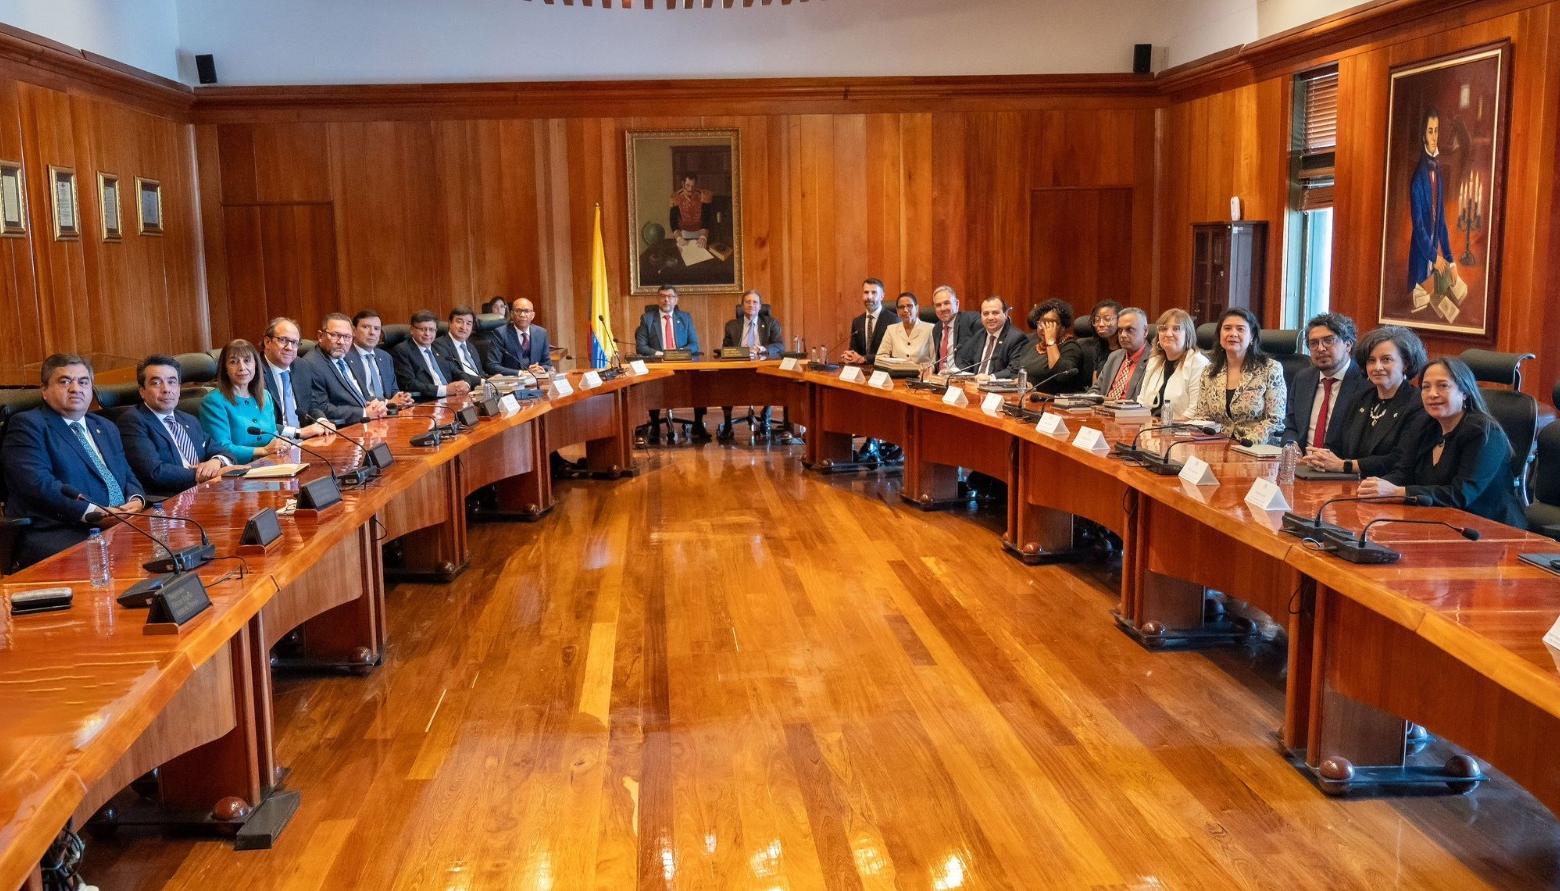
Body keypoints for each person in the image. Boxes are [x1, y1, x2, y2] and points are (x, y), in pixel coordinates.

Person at [2, 353, 146, 568]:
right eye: (65, 381)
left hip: (120, 524)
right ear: (44, 390)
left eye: (83, 382)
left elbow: (126, 473)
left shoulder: (105, 426)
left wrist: (136, 499)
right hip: (62, 530)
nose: (76, 388)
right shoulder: (28, 425)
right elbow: (38, 484)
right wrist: (93, 514)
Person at [1358, 357, 1524, 527]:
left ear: (1464, 392)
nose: (1432, 394)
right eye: (1425, 387)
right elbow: (1403, 473)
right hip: (1437, 521)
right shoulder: (1424, 424)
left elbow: (1461, 495)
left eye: (1443, 386)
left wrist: (1397, 492)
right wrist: (1376, 486)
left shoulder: (1485, 434)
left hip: (1489, 529)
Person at [1302, 326, 1428, 478]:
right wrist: (1321, 458)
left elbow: (1400, 459)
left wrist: (1345, 465)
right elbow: (1335, 443)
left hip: (1386, 489)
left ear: (1406, 363)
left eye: (1386, 360)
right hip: (1344, 483)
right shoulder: (1360, 398)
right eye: (1371, 361)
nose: (1377, 367)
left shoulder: (1417, 404)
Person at [118, 354, 236, 496]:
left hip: (207, 493)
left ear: (179, 388)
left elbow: (223, 452)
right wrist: (208, 474)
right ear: (142, 391)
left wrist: (217, 462)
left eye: (172, 382)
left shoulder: (189, 420)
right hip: (170, 501)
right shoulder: (133, 421)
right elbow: (155, 472)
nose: (166, 389)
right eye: (156, 383)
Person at [1190, 307, 1286, 444]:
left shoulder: (1270, 369)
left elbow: (1274, 420)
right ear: (1220, 335)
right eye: (1227, 328)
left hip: (1255, 449)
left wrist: (1247, 443)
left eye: (1240, 329)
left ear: (1252, 336)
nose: (1233, 334)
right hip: (1216, 446)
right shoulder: (1209, 371)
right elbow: (1203, 416)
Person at [1281, 312, 1370, 449]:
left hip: (1339, 466)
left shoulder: (1365, 383)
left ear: (1348, 345)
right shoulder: (1302, 379)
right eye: (1314, 343)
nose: (1320, 348)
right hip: (1302, 464)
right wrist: (1291, 446)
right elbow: (1291, 426)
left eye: (1328, 340)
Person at [633, 285, 708, 442]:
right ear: (658, 299)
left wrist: (678, 353)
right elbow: (641, 346)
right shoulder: (647, 318)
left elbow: (694, 345)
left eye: (670, 296)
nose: (666, 299)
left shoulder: (685, 318)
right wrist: (661, 354)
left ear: (676, 300)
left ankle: (699, 423)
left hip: (682, 365)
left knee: (699, 382)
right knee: (652, 386)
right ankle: (654, 424)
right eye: (662, 296)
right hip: (658, 364)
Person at [200, 339, 293, 464]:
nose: (242, 367)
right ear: (225, 368)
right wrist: (263, 450)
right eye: (233, 362)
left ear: (255, 364)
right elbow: (221, 448)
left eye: (247, 361)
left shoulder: (265, 396)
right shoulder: (213, 402)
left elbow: (273, 435)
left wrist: (282, 442)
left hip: (271, 465)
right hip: (238, 472)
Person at [1407, 107, 1460, 305]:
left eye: (1436, 130)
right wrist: (1434, 257)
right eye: (1430, 131)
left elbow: (1442, 222)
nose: (1434, 136)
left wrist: (1450, 259)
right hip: (1422, 258)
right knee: (1419, 307)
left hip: (1435, 259)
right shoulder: (1417, 180)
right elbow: (1419, 227)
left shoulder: (1437, 173)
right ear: (1423, 136)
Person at [302, 312, 393, 427]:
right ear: (320, 336)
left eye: (347, 337)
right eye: (335, 335)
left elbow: (361, 393)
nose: (341, 342)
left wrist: (376, 404)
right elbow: (321, 407)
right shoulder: (311, 364)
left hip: (369, 422)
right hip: (345, 428)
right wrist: (364, 413)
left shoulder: (348, 357)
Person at [718, 290, 784, 442]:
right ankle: (727, 424)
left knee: (771, 379)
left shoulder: (770, 323)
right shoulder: (732, 325)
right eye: (747, 302)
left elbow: (780, 345)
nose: (751, 305)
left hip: (763, 367)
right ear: (742, 306)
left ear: (760, 306)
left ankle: (766, 416)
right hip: (737, 368)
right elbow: (725, 348)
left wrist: (762, 349)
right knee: (723, 380)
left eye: (755, 302)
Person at [259, 317, 334, 440]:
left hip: (305, 442)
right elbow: (259, 422)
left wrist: (321, 420)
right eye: (283, 340)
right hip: (273, 444)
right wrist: (298, 432)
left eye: (294, 343)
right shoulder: (254, 373)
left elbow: (311, 404)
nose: (289, 347)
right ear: (267, 342)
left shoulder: (301, 366)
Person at [1137, 308, 1211, 421]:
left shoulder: (1198, 363)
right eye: (1163, 329)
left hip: (1181, 432)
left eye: (1176, 329)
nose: (1168, 334)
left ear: (1188, 334)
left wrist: (1164, 428)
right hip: (1149, 429)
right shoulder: (1154, 361)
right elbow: (1141, 400)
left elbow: (1194, 411)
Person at [1003, 298, 1082, 393]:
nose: (1043, 328)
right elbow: (1016, 371)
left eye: (1050, 323)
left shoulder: (1071, 347)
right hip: (1027, 398)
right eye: (1041, 322)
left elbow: (1062, 376)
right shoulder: (1031, 345)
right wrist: (1018, 380)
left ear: (1063, 327)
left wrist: (1051, 342)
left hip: (1051, 402)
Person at [395, 310, 473, 402]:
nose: (427, 334)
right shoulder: (403, 350)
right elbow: (409, 384)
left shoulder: (439, 348)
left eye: (431, 330)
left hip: (451, 399)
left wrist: (465, 384)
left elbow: (457, 371)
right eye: (422, 329)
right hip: (427, 402)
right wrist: (445, 390)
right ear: (412, 330)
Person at [347, 310, 414, 409]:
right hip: (365, 414)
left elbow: (393, 390)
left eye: (376, 328)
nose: (372, 332)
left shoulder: (385, 357)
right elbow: (356, 395)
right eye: (365, 327)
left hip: (389, 413)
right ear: (354, 331)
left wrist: (402, 398)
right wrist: (388, 402)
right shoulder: (345, 357)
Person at [1089, 306, 1150, 401]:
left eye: (1129, 330)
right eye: (1120, 330)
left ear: (1145, 331)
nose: (1123, 335)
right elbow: (1097, 389)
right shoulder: (1114, 356)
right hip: (1104, 412)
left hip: (1131, 414)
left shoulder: (1154, 359)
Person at [485, 297, 554, 376]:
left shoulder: (541, 333)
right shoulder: (500, 333)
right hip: (512, 383)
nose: (522, 315)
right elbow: (492, 365)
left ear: (532, 315)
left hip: (536, 380)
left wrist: (540, 368)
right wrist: (521, 373)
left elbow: (548, 364)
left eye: (526, 311)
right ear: (512, 314)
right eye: (518, 311)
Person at [841, 278, 898, 365]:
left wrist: (864, 358)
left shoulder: (893, 320)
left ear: (882, 296)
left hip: (884, 372)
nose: (869, 297)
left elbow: (893, 354)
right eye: (866, 292)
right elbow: (854, 350)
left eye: (874, 293)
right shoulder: (857, 322)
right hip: (861, 372)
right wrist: (849, 356)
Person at [928, 285, 979, 373]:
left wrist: (955, 371)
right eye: (938, 305)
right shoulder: (937, 328)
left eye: (946, 303)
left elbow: (976, 358)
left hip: (961, 379)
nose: (942, 308)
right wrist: (931, 368)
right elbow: (940, 360)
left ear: (957, 304)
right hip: (940, 380)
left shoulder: (970, 321)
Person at [874, 291, 933, 366]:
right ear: (897, 311)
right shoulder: (891, 330)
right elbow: (879, 358)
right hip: (897, 374)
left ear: (917, 308)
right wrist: (894, 363)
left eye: (909, 306)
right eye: (901, 307)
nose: (905, 310)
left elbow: (934, 360)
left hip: (921, 374)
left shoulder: (930, 329)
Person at [434, 305, 486, 386]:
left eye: (469, 323)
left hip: (480, 389)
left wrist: (495, 380)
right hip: (460, 390)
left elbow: (480, 374)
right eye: (459, 321)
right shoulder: (439, 345)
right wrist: (482, 381)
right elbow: (453, 375)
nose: (464, 327)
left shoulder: (471, 346)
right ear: (450, 323)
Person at [1079, 300, 1123, 384]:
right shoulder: (1099, 347)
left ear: (1119, 320)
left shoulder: (1127, 348)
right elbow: (1095, 384)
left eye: (1107, 319)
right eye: (1097, 320)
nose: (1100, 324)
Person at [670, 174, 713, 246]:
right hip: (683, 234)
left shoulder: (704, 196)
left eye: (693, 186)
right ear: (683, 184)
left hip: (701, 233)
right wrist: (679, 238)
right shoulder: (676, 197)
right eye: (687, 185)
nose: (690, 189)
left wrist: (703, 237)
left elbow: (706, 219)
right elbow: (673, 222)